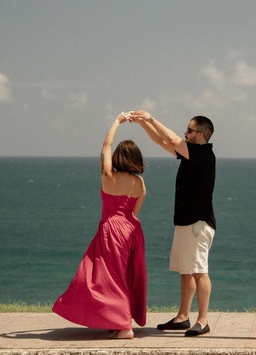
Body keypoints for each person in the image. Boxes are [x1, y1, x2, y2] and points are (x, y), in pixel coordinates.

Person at [52, 113, 147, 340]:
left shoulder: (108, 176)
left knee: (104, 278)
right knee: (125, 276)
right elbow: (134, 212)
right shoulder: (139, 182)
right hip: (131, 230)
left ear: (117, 157)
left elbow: (106, 145)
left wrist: (117, 121)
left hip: (110, 230)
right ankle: (118, 321)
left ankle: (124, 326)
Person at [129, 111, 215, 337]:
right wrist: (142, 124)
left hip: (198, 223)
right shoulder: (190, 154)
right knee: (187, 272)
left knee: (199, 272)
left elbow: (173, 139)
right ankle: (182, 317)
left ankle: (203, 320)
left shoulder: (203, 153)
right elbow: (161, 140)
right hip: (186, 222)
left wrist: (150, 118)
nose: (184, 133)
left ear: (200, 135)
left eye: (189, 130)